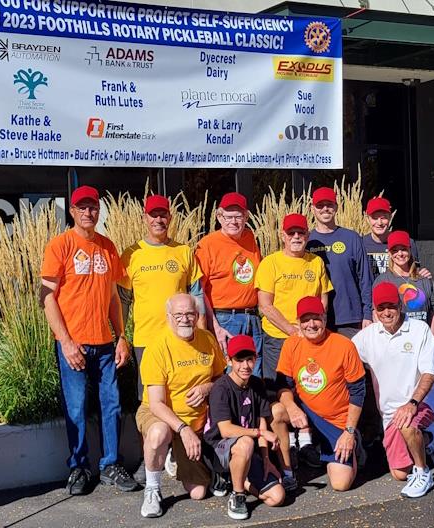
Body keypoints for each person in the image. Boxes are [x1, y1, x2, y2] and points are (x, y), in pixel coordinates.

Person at [40, 185, 137, 496]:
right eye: (81, 207)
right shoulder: (60, 245)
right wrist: (65, 341)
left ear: (98, 211)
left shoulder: (108, 247)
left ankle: (110, 465)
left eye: (92, 207)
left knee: (112, 404)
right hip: (74, 344)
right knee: (77, 407)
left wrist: (121, 336)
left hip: (105, 344)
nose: (88, 212)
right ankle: (79, 467)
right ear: (72, 211)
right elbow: (46, 297)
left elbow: (113, 297)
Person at [119, 194, 205, 483]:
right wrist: (120, 336)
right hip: (146, 341)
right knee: (148, 402)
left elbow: (197, 297)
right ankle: (150, 459)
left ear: (170, 217)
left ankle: (178, 452)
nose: (158, 219)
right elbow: (122, 301)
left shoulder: (183, 252)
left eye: (163, 215)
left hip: (182, 340)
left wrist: (202, 333)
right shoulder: (132, 254)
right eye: (153, 215)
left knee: (182, 395)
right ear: (145, 218)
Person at [255, 213, 333, 485]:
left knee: (308, 387)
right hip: (278, 338)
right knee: (279, 391)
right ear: (283, 236)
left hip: (309, 338)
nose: (296, 237)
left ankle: (306, 441)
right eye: (291, 233)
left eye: (301, 233)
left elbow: (323, 299)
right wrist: (291, 329)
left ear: (307, 235)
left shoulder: (315, 262)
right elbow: (265, 305)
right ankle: (286, 448)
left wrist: (314, 328)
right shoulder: (270, 263)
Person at [352, 282, 434, 498]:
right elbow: (343, 354)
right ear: (374, 310)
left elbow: (430, 373)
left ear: (400, 305)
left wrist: (412, 404)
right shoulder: (367, 336)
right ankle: (429, 437)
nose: (386, 312)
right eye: (381, 308)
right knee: (400, 473)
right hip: (390, 412)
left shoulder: (419, 330)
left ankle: (423, 473)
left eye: (391, 306)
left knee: (408, 424)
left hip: (422, 402)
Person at [137, 293, 227, 518]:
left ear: (197, 315)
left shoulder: (207, 340)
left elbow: (221, 379)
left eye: (189, 314)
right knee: (159, 433)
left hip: (197, 421)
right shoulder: (157, 348)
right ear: (168, 317)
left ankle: (177, 456)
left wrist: (206, 388)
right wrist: (183, 429)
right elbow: (156, 404)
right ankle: (152, 489)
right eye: (178, 315)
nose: (184, 319)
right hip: (164, 416)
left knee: (198, 493)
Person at [276, 296, 366, 492]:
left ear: (324, 318)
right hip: (305, 412)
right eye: (305, 320)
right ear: (298, 322)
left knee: (341, 484)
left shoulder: (343, 345)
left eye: (316, 318)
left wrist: (349, 431)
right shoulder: (291, 344)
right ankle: (288, 468)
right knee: (277, 412)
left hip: (337, 421)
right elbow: (283, 386)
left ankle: (352, 442)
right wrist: (291, 408)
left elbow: (358, 392)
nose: (311, 324)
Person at [204, 334, 285, 520]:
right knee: (246, 442)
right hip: (218, 448)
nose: (245, 365)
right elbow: (225, 430)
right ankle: (238, 494)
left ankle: (236, 478)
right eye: (239, 360)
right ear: (229, 360)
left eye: (249, 359)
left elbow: (261, 421)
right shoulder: (221, 388)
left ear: (255, 359)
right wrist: (260, 433)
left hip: (246, 450)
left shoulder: (257, 384)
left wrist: (266, 458)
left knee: (277, 497)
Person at [195, 192, 263, 371]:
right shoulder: (207, 245)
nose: (233, 221)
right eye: (228, 216)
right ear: (219, 217)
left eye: (238, 216)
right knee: (231, 374)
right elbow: (198, 290)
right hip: (225, 319)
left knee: (254, 375)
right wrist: (214, 325)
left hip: (252, 318)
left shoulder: (250, 239)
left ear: (246, 217)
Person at [306, 186, 373, 338]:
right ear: (312, 209)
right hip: (315, 319)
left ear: (336, 207)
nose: (325, 209)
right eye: (320, 205)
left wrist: (368, 313)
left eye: (329, 205)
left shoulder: (352, 238)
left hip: (350, 317)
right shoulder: (306, 241)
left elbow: (365, 279)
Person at [374, 230, 434, 334]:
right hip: (396, 337)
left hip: (421, 336)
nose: (400, 254)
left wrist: (431, 339)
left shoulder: (423, 279)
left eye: (403, 249)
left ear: (410, 250)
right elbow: (376, 313)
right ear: (389, 253)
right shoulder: (382, 281)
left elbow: (432, 313)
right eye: (395, 250)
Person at [362, 197, 431, 279]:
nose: (379, 223)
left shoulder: (406, 242)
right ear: (367, 219)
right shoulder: (361, 244)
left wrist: (422, 276)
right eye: (375, 218)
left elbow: (414, 271)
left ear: (390, 217)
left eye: (383, 218)